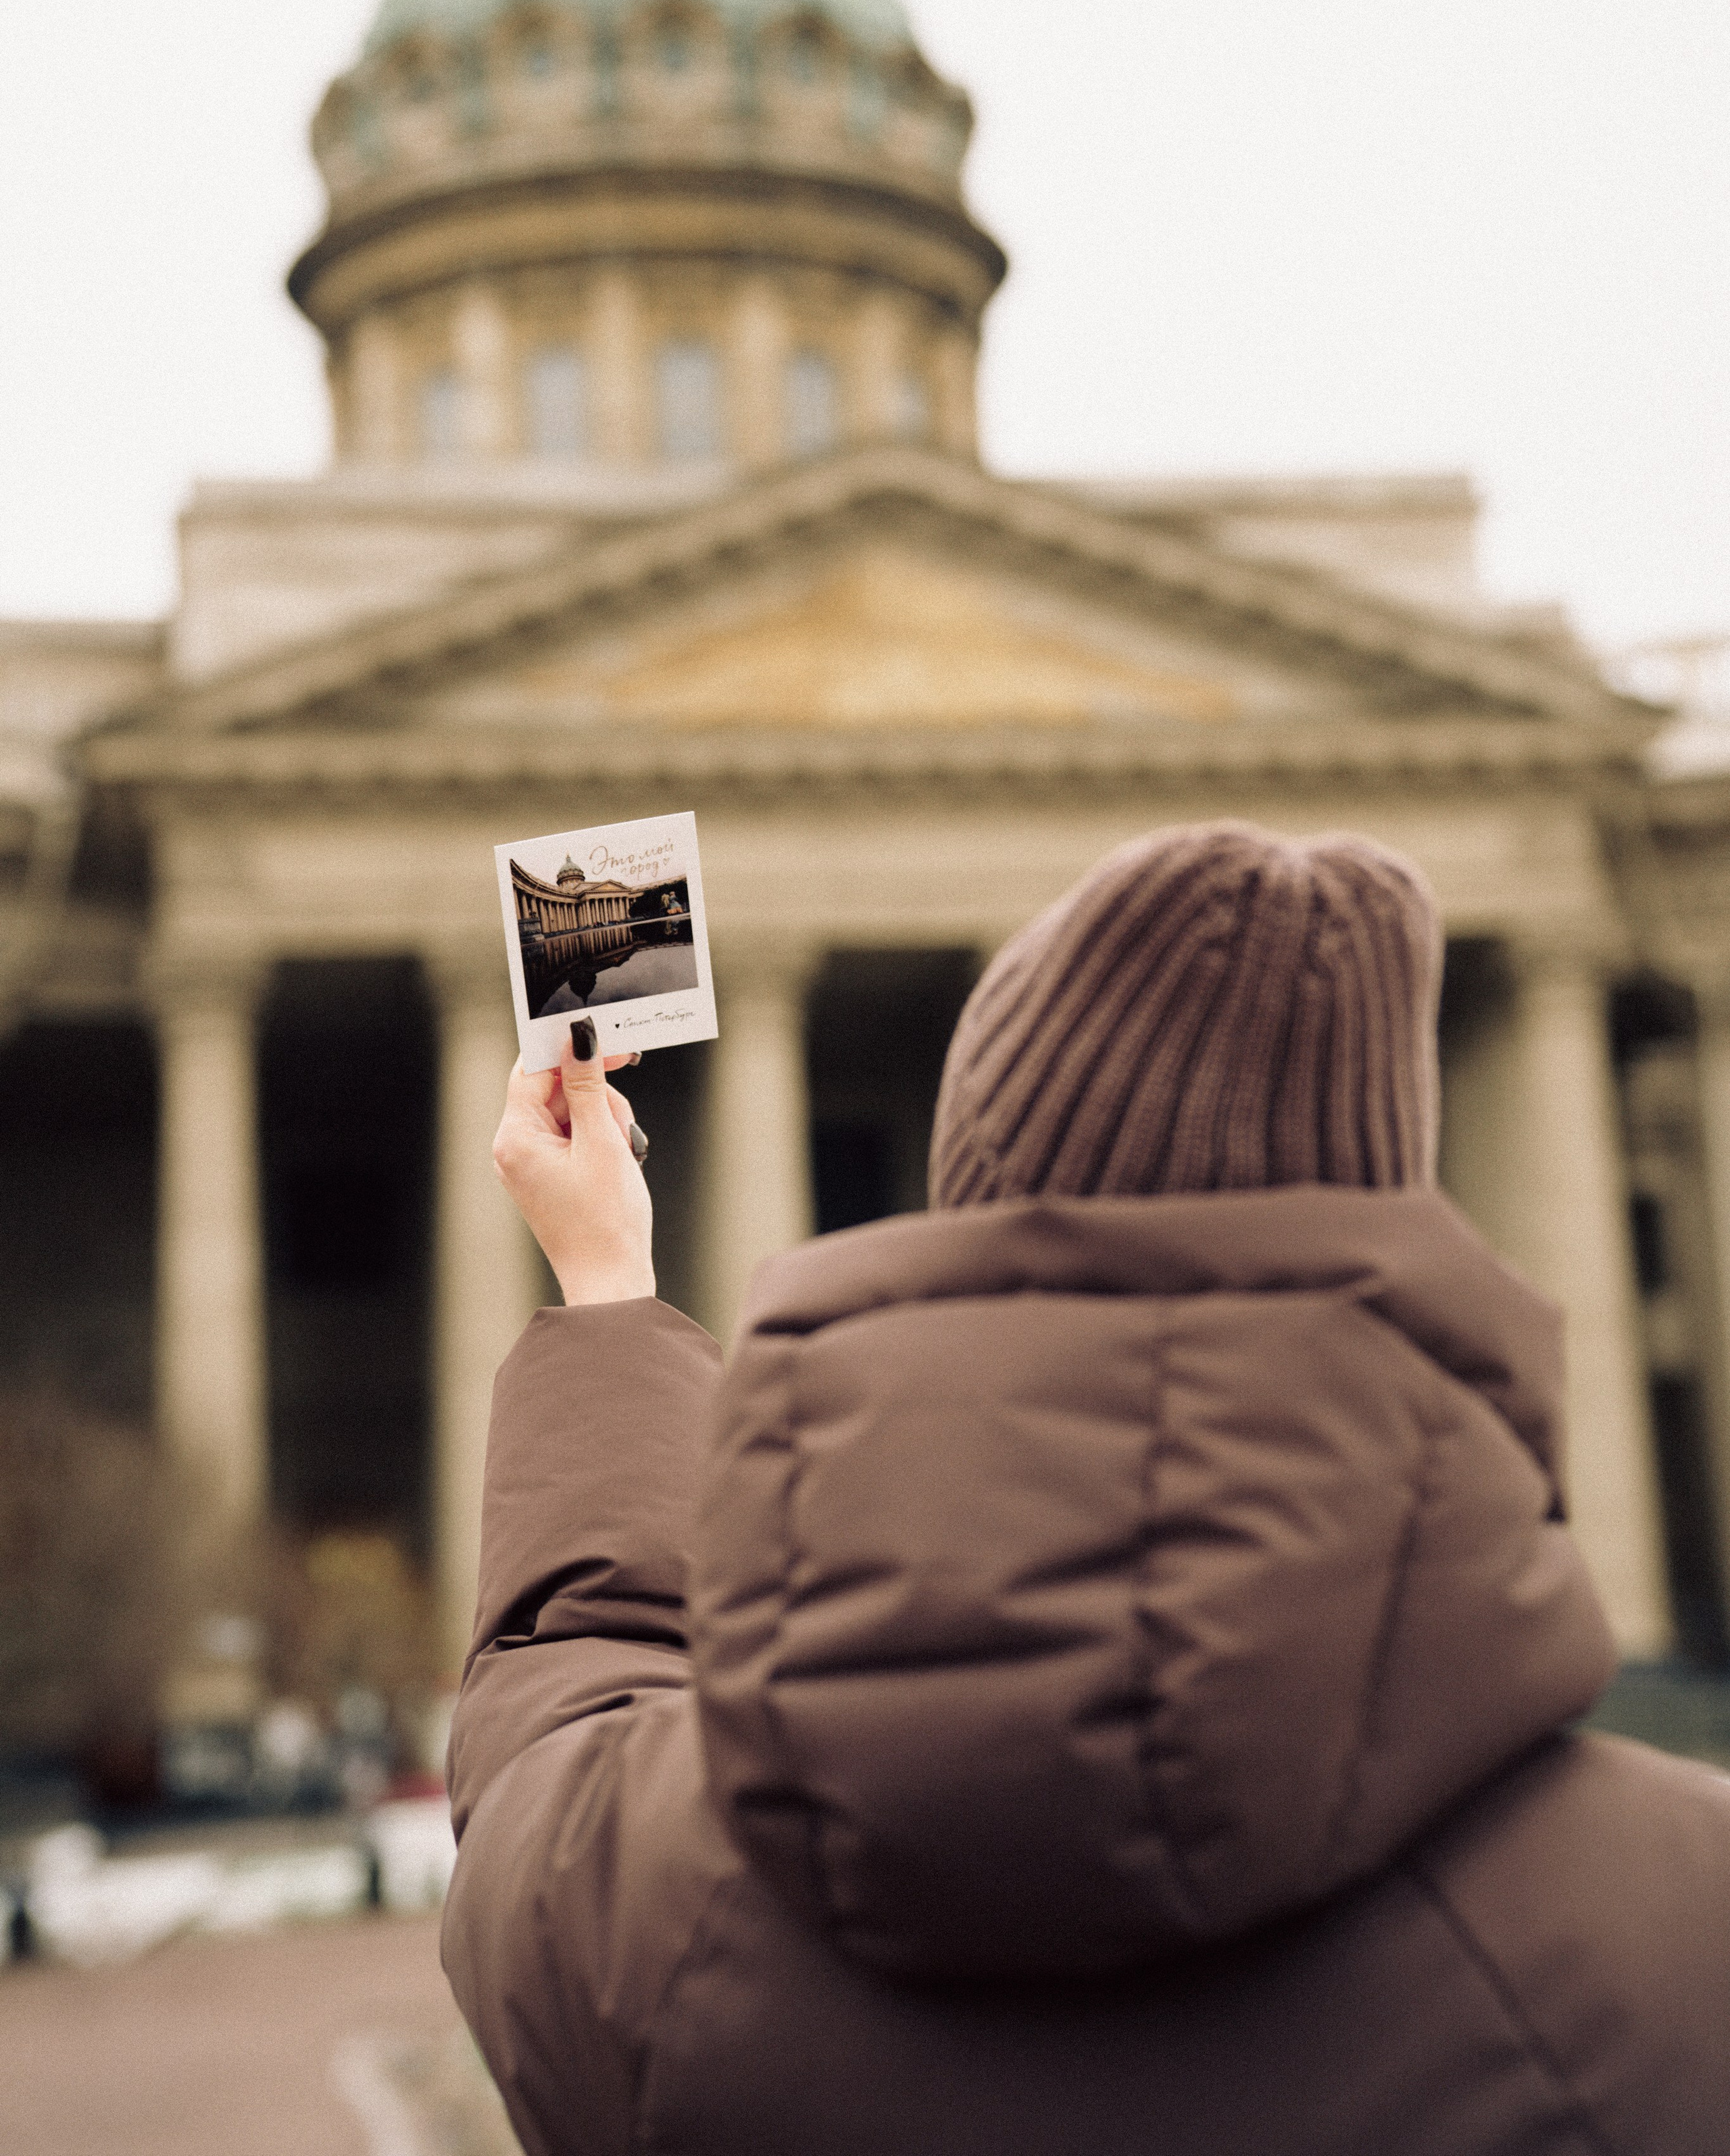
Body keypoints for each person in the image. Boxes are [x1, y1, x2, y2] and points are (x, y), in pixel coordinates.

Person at [443, 823, 1730, 2156]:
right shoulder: (1680, 1937)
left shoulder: (654, 1922)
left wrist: (607, 1288)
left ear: (969, 1240)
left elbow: (552, 1747)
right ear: (1392, 1230)